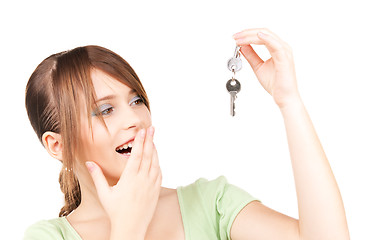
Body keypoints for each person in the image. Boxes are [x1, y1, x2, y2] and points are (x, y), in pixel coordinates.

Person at [23, 28, 350, 240]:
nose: (135, 119)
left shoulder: (210, 203)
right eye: (105, 110)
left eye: (136, 100)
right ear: (59, 145)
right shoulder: (47, 237)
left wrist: (289, 101)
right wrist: (128, 228)